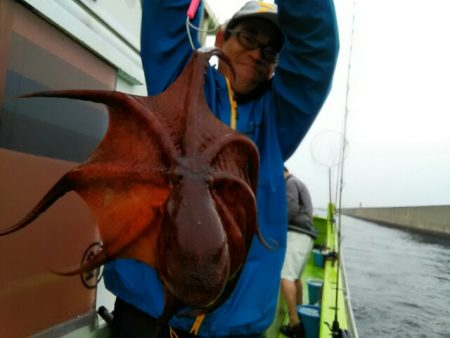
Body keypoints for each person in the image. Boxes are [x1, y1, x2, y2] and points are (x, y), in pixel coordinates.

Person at [104, 0, 339, 337]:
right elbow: (163, 14)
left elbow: (315, 52)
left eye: (271, 52)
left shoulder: (278, 121)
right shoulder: (178, 81)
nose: (258, 54)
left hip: (229, 327)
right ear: (221, 38)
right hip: (146, 309)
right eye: (247, 38)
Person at [280, 167, 317, 338]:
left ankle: (295, 326)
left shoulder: (290, 182)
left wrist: (276, 229)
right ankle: (299, 317)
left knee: (285, 277)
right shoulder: (299, 183)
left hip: (298, 235)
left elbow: (291, 207)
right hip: (307, 236)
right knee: (295, 279)